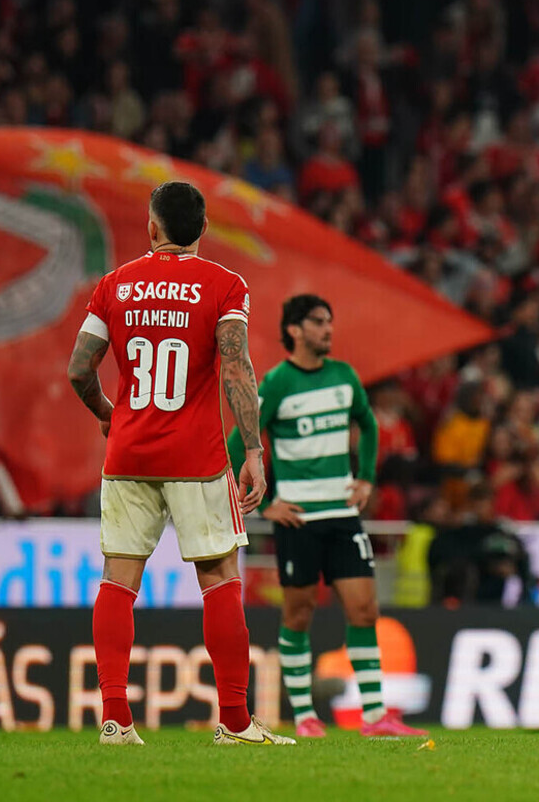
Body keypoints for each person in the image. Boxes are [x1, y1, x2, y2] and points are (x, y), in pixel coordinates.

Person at [67, 181, 293, 747]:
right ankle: (235, 723)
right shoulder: (224, 286)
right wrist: (256, 452)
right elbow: (238, 369)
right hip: (197, 457)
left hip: (129, 453)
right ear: (204, 229)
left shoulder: (114, 286)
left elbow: (78, 368)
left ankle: (116, 720)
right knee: (218, 579)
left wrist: (107, 412)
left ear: (151, 227)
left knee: (118, 581)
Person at [227, 294, 426, 738]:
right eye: (318, 322)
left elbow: (369, 425)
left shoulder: (344, 377)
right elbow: (239, 442)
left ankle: (374, 717)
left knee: (363, 609)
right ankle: (304, 717)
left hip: (341, 515)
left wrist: (367, 478)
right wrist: (270, 497)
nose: (328, 330)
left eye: (329, 322)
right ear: (294, 329)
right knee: (298, 615)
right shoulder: (277, 383)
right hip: (298, 520)